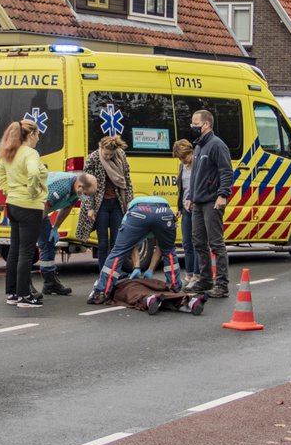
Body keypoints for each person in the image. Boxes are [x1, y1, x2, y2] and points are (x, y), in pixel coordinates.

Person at [88, 194, 182, 304]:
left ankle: (102, 292)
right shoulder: (161, 216)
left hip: (139, 211)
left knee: (118, 251)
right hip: (164, 211)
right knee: (169, 251)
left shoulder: (130, 213)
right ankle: (175, 287)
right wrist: (147, 269)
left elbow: (129, 245)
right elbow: (163, 248)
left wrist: (137, 267)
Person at [0, 119, 47, 307]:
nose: (38, 140)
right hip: (29, 205)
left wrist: (9, 190)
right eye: (38, 135)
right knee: (27, 252)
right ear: (31, 134)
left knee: (14, 250)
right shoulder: (31, 153)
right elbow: (34, 174)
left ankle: (11, 293)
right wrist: (33, 192)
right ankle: (24, 296)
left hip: (13, 204)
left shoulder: (10, 152)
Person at [184, 107, 233, 299]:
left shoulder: (217, 145)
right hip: (197, 202)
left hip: (212, 202)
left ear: (206, 124)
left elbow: (226, 172)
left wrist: (223, 195)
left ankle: (222, 284)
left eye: (196, 124)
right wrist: (190, 197)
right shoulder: (198, 146)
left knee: (216, 243)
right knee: (198, 242)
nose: (193, 127)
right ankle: (204, 280)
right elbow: (195, 175)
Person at [76, 135, 132, 267]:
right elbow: (85, 185)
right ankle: (103, 273)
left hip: (117, 203)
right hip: (100, 205)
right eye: (106, 154)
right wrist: (90, 208)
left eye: (110, 154)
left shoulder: (121, 156)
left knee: (116, 241)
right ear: (101, 148)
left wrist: (129, 200)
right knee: (102, 243)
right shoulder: (94, 158)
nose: (108, 157)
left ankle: (115, 271)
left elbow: (127, 179)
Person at [38, 171, 96, 296]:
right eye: (86, 194)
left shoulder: (76, 189)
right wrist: (33, 229)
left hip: (41, 210)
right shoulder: (62, 186)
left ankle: (50, 283)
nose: (85, 198)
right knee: (28, 248)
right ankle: (24, 286)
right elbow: (43, 207)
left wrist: (56, 227)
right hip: (34, 210)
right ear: (80, 187)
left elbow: (67, 208)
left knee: (49, 243)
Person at [173, 139, 198, 282]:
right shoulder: (182, 167)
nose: (183, 161)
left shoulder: (198, 165)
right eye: (180, 158)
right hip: (185, 208)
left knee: (197, 242)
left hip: (197, 208)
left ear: (190, 152)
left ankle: (197, 274)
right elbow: (181, 189)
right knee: (186, 243)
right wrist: (179, 208)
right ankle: (189, 274)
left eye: (184, 157)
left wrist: (194, 200)